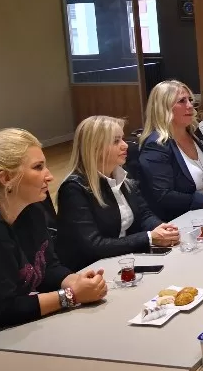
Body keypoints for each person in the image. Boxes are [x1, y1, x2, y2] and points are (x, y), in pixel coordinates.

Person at [0, 126, 107, 342]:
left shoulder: (31, 211)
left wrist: (74, 281)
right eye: (38, 167)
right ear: (6, 178)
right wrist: (70, 296)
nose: (49, 176)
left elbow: (47, 267)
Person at [56, 116, 180, 271]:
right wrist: (148, 237)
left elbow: (144, 214)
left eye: (122, 138)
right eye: (116, 141)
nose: (125, 145)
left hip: (123, 259)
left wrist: (162, 228)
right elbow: (93, 245)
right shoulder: (74, 189)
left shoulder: (122, 174)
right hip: (92, 270)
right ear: (95, 148)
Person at [138, 80, 203, 222]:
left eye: (190, 100)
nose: (190, 106)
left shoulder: (194, 135)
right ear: (163, 108)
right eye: (182, 101)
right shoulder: (156, 145)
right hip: (180, 221)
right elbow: (163, 196)